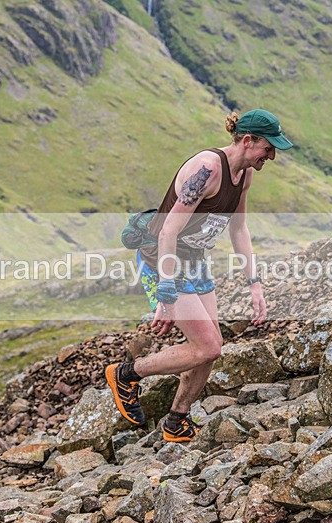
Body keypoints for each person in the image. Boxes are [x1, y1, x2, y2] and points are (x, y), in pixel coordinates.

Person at [106, 109, 293, 442]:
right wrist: (166, 294)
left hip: (195, 260)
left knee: (212, 346)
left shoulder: (245, 175)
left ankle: (177, 419)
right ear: (248, 141)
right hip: (161, 259)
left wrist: (255, 284)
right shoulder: (206, 170)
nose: (272, 155)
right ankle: (125, 374)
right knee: (207, 347)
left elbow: (239, 230)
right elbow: (168, 232)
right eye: (268, 147)